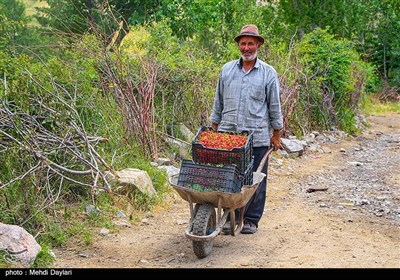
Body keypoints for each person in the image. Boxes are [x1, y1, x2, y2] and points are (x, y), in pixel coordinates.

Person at [209, 24, 283, 234]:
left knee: (255, 181)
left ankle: (250, 219)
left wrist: (276, 134)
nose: (247, 47)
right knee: (228, 179)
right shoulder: (227, 70)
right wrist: (213, 130)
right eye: (243, 43)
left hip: (257, 136)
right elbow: (218, 103)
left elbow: (274, 106)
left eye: (251, 43)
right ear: (238, 45)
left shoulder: (268, 73)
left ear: (258, 44)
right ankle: (229, 217)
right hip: (228, 136)